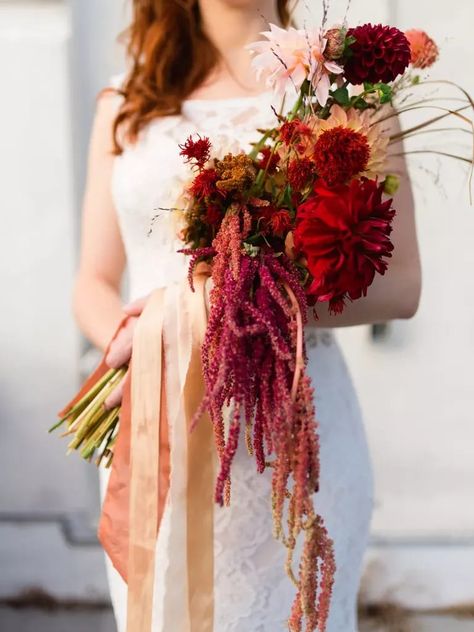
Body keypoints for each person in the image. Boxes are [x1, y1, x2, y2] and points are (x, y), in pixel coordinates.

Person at [73, 1, 422, 630]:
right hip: (156, 421)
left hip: (291, 433)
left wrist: (215, 306)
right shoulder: (125, 103)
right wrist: (141, 345)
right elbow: (93, 283)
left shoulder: (340, 98)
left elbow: (399, 288)